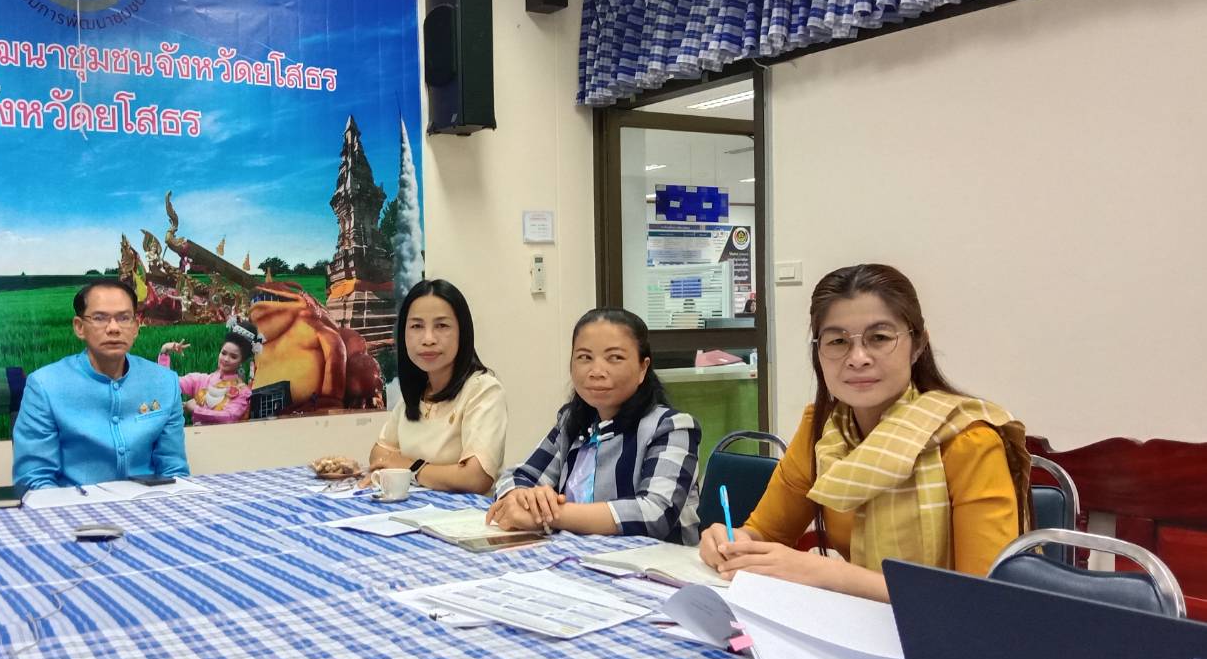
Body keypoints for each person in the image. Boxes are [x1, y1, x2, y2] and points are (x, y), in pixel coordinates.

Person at [699, 263, 1031, 602]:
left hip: (943, 630)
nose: (857, 358)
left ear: (918, 345)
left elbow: (984, 599)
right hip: (857, 623)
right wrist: (731, 542)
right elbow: (765, 533)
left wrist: (828, 574)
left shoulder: (969, 442)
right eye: (838, 341)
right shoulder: (822, 433)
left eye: (880, 338)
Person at [488, 308, 701, 542]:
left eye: (615, 358)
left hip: (652, 561)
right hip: (577, 554)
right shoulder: (572, 421)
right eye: (585, 357)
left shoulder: (672, 427)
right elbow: (520, 476)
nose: (596, 372)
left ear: (643, 367)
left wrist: (550, 515)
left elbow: (654, 514)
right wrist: (521, 499)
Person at [12, 279, 188, 490]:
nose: (113, 328)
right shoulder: (44, 385)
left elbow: (174, 471)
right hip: (74, 505)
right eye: (99, 318)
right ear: (79, 327)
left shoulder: (164, 382)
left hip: (148, 503)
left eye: (124, 318)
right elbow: (34, 479)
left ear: (135, 327)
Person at [367, 278, 507, 494]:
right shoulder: (416, 393)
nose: (428, 339)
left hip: (464, 513)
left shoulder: (483, 390)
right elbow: (378, 455)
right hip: (411, 509)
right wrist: (414, 468)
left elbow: (475, 478)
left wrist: (410, 467)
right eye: (417, 326)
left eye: (441, 326)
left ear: (463, 332)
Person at [159, 323, 258, 425]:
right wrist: (164, 352)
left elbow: (229, 417)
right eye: (223, 353)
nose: (226, 359)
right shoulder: (202, 380)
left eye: (233, 357)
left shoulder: (243, 391)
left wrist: (195, 409)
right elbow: (169, 383)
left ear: (241, 361)